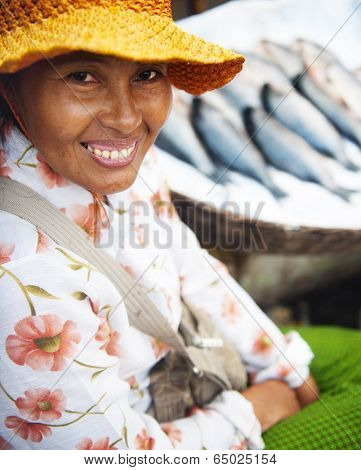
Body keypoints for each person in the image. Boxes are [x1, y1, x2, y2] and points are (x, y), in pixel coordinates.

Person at [2, 0, 352, 451]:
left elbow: (190, 264)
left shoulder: (115, 161)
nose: (127, 119)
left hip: (189, 365)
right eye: (82, 76)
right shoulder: (19, 278)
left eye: (146, 74)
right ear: (11, 87)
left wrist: (285, 367)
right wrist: (255, 409)